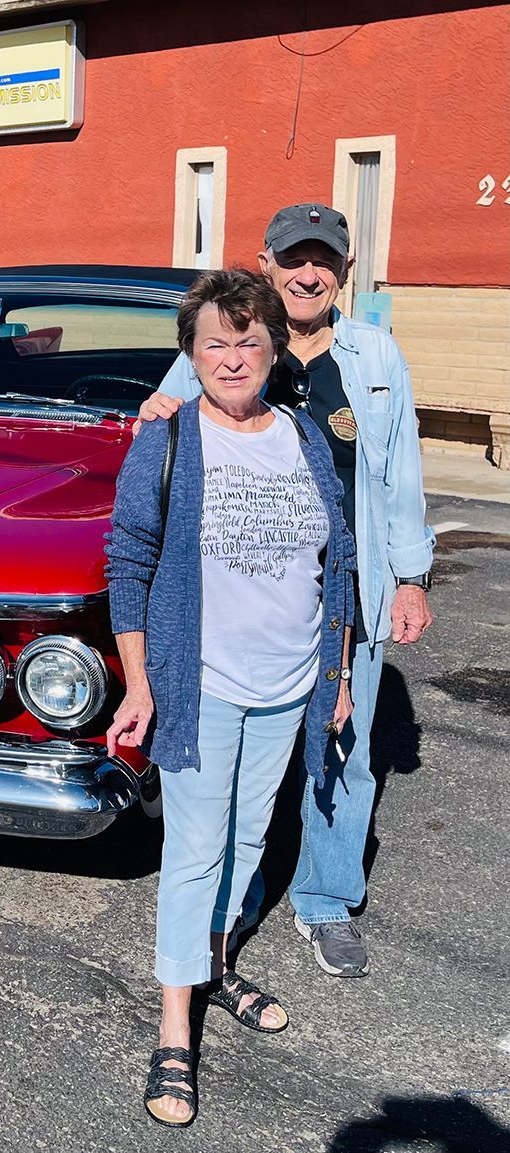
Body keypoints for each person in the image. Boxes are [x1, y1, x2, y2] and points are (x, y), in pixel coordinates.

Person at [139, 204, 435, 978]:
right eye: (295, 258)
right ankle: (231, 896)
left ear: (343, 270)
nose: (309, 273)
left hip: (348, 590)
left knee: (344, 748)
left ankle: (325, 896)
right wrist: (156, 409)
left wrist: (410, 576)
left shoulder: (375, 354)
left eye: (325, 261)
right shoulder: (243, 341)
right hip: (244, 595)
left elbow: (399, 471)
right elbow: (167, 412)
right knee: (241, 757)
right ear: (266, 262)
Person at [106, 268, 356, 1128]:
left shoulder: (303, 435)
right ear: (192, 354)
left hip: (290, 685)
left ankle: (215, 963)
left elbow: (340, 560)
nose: (234, 356)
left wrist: (340, 671)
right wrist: (140, 683)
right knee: (195, 850)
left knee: (250, 836)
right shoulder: (169, 440)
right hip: (201, 684)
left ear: (273, 348)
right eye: (216, 341)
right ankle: (175, 1025)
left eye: (251, 339)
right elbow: (128, 566)